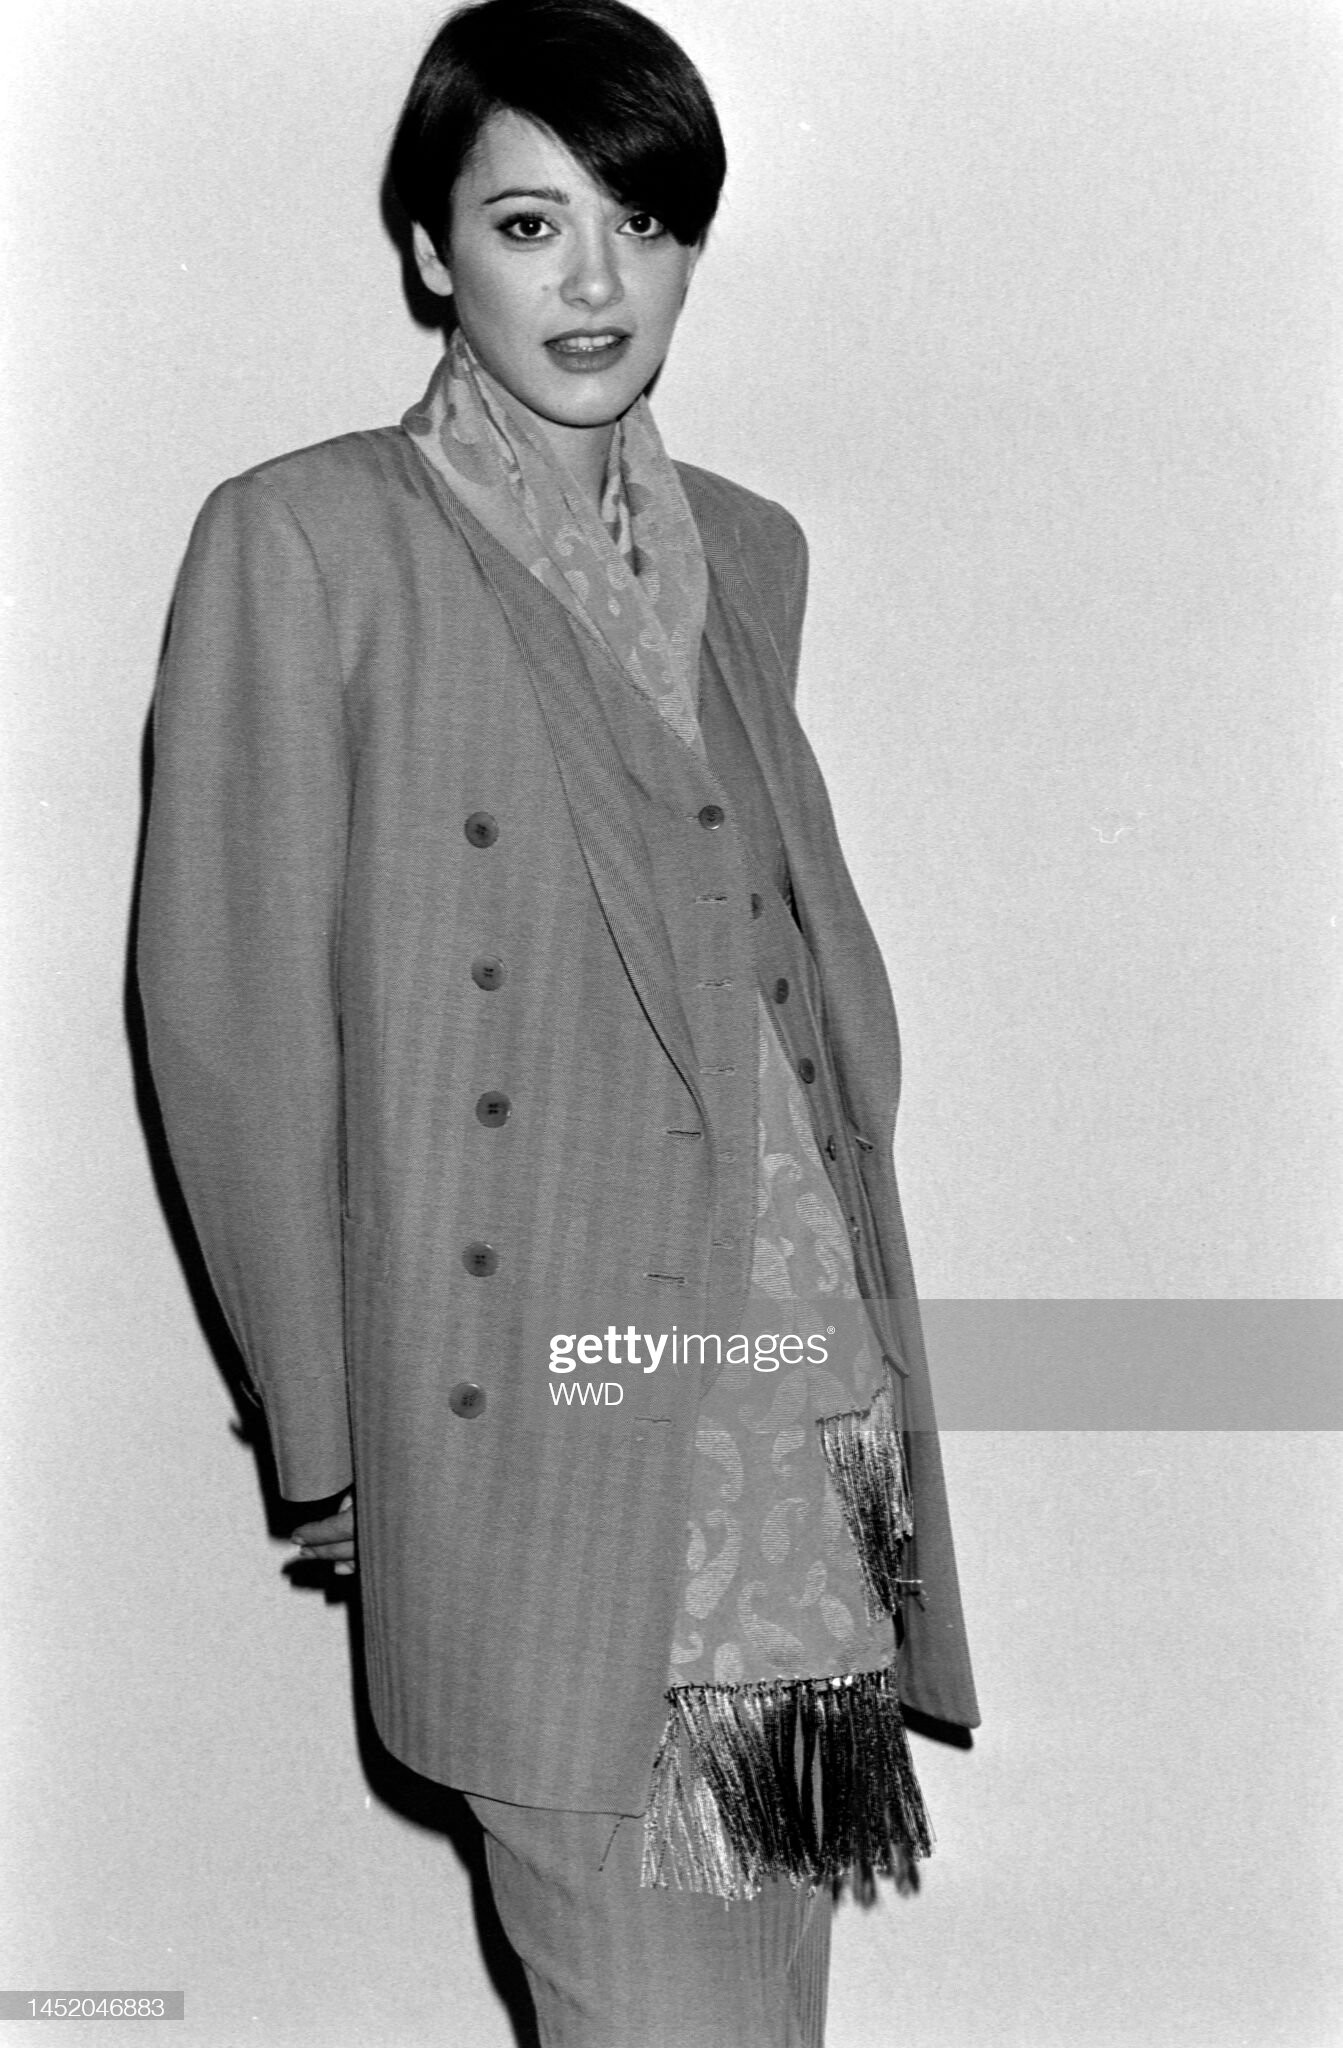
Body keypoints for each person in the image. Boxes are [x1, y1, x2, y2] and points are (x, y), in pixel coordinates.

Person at [137, 2, 978, 2041]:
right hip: (541, 1450)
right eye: (529, 223)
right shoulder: (310, 541)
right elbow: (235, 1032)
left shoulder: (751, 552)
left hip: (797, 1426)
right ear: (434, 250)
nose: (595, 280)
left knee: (768, 2013)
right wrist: (334, 1435)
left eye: (642, 222)